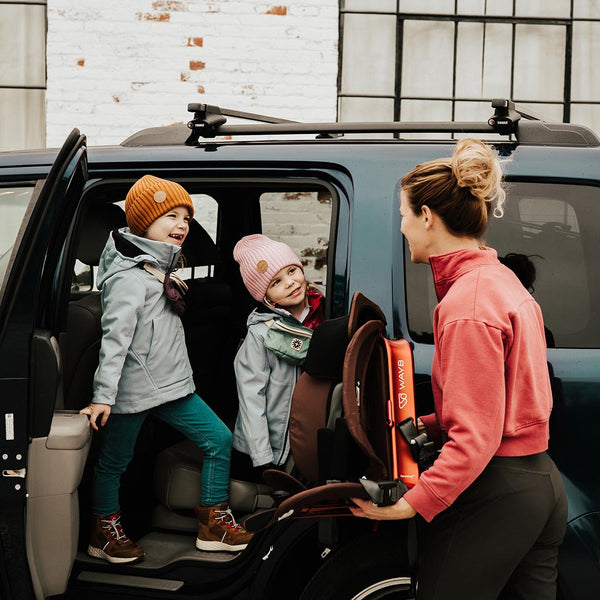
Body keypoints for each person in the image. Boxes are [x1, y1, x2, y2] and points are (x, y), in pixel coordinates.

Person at [350, 139, 568, 599]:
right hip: (540, 481)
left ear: (428, 217)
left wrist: (416, 501)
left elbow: (477, 435)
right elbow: (501, 403)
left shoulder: (467, 305)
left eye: (405, 215)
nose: (403, 226)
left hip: (499, 490)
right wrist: (426, 425)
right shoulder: (499, 281)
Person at [80, 175, 252, 564]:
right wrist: (103, 397)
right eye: (170, 216)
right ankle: (104, 532)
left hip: (170, 387)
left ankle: (213, 523)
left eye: (187, 217)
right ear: (143, 223)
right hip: (132, 391)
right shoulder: (128, 279)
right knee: (114, 463)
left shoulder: (155, 268)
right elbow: (115, 341)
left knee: (218, 439)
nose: (182, 224)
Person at [232, 234, 325, 478]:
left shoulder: (327, 307)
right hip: (273, 446)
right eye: (276, 282)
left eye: (292, 271)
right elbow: (252, 397)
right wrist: (263, 456)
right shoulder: (261, 334)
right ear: (266, 298)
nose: (290, 283)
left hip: (309, 430)